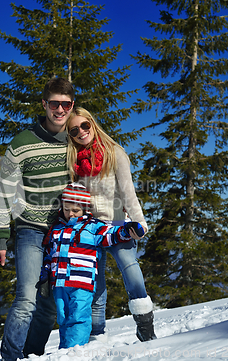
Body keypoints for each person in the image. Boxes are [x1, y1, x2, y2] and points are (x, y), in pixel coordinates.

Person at [0, 77, 74, 361]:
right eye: (54, 103)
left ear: (72, 106)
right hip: (30, 230)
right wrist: (1, 238)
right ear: (44, 104)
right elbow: (3, 192)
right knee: (27, 298)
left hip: (64, 233)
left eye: (65, 104)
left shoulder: (76, 141)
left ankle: (31, 355)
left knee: (49, 304)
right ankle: (10, 358)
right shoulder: (22, 143)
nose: (59, 110)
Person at [65, 107, 157, 342]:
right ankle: (97, 335)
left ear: (93, 124)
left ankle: (146, 328)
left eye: (85, 125)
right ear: (70, 135)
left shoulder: (115, 153)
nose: (81, 132)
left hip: (116, 224)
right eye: (74, 130)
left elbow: (128, 192)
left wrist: (139, 222)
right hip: (89, 229)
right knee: (95, 281)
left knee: (130, 269)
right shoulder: (74, 162)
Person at [39, 182, 144, 348]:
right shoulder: (57, 228)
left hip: (81, 283)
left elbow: (111, 235)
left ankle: (74, 351)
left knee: (78, 317)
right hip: (59, 283)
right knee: (63, 318)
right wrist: (45, 272)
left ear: (85, 209)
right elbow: (49, 253)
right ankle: (64, 350)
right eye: (66, 209)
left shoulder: (93, 227)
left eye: (75, 210)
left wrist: (127, 229)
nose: (70, 214)